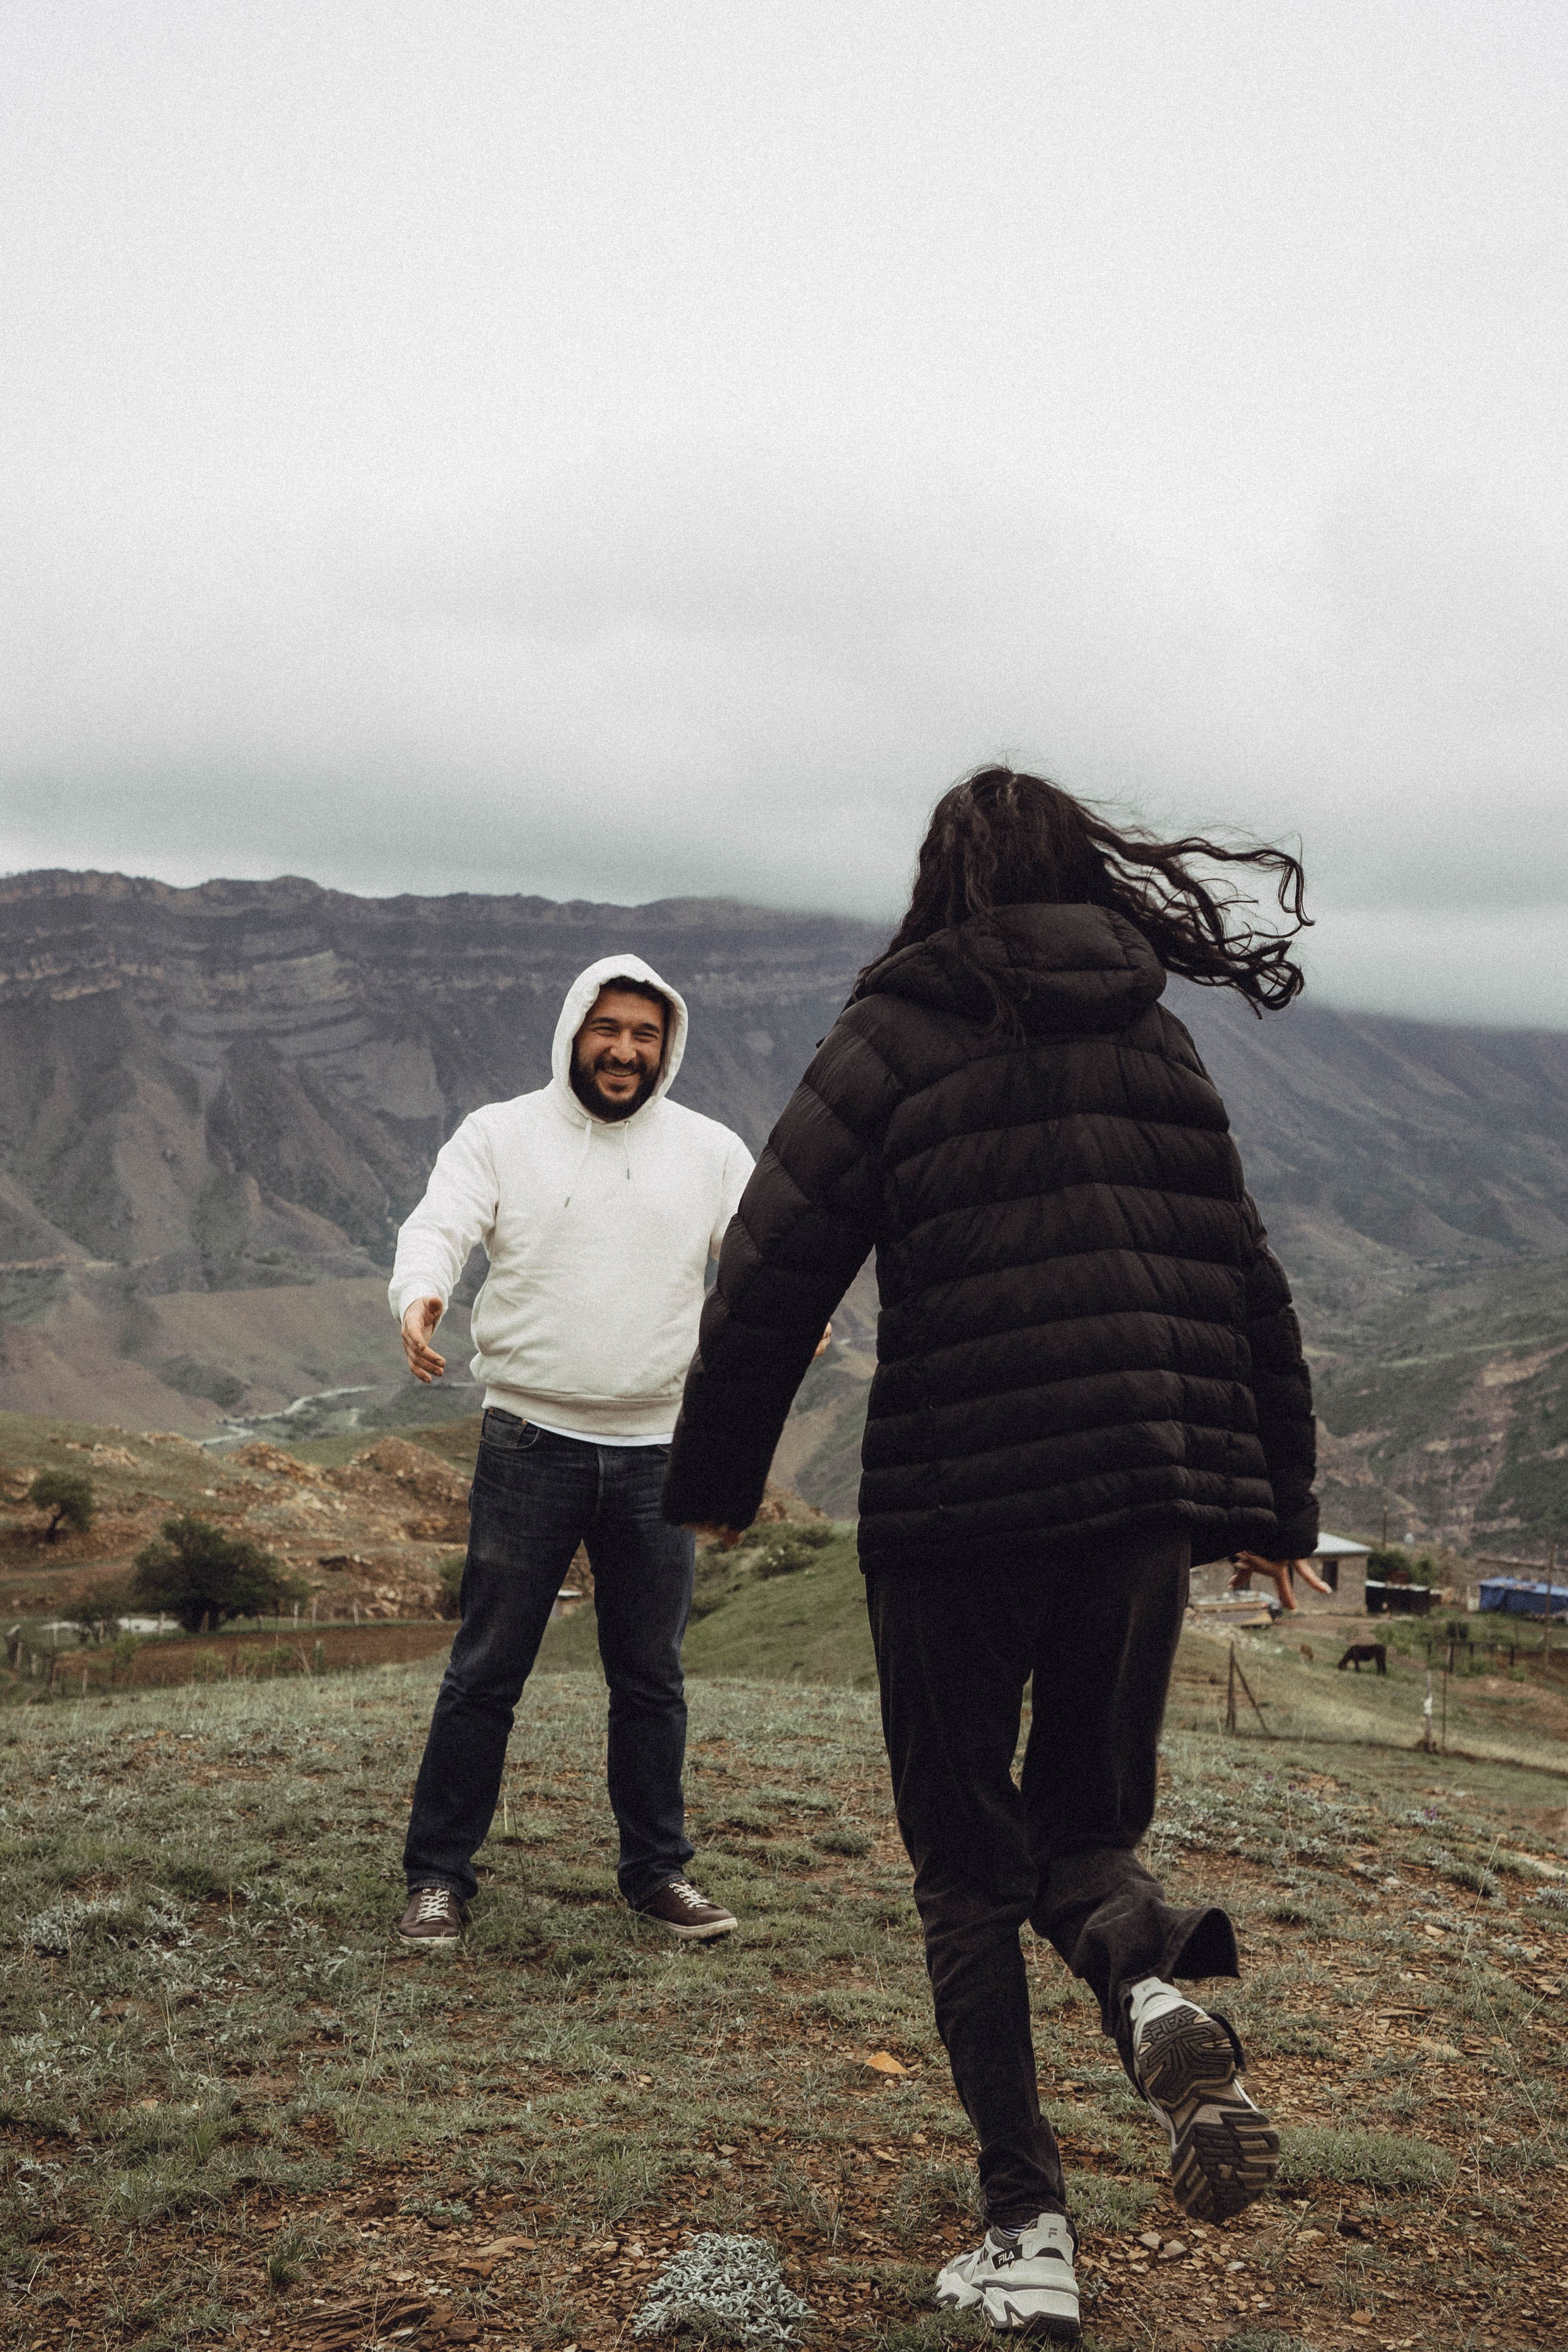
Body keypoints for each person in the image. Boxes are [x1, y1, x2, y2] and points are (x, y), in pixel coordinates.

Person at [664, 770, 1320, 2341]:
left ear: (943, 880)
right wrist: (1268, 1507)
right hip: (1139, 1499)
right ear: (1082, 875)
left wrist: (717, 1480)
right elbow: (1246, 1279)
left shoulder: (894, 1032)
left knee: (965, 1863)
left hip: (959, 1504)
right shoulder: (1152, 1038)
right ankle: (1149, 1980)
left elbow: (768, 1266)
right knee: (1086, 1830)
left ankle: (1027, 2231)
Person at [390, 956, 755, 1948]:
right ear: (573, 1034)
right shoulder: (501, 1134)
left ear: (666, 1045)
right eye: (609, 1030)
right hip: (528, 1441)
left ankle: (658, 1874)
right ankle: (437, 1877)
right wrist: (419, 1293)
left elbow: (763, 1249)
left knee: (651, 1677)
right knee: (486, 1671)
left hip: (656, 1451)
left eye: (645, 1033)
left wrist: (780, 1315)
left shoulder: (711, 1150)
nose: (625, 1050)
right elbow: (440, 1224)